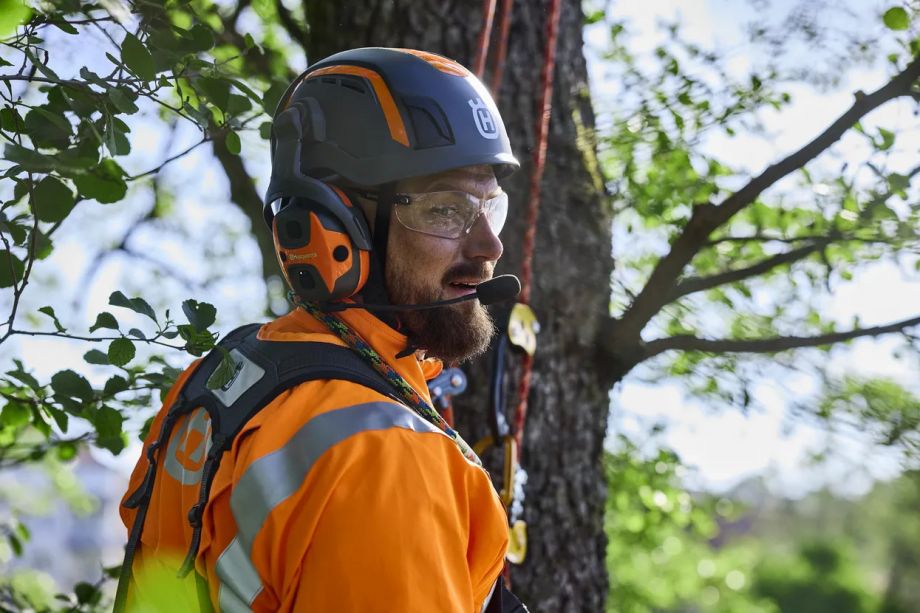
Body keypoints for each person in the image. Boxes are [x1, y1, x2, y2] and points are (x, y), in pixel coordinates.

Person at [118, 47, 528, 612]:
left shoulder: (223, 378)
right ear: (333, 225)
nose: (489, 247)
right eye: (446, 210)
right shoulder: (384, 453)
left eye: (490, 207)